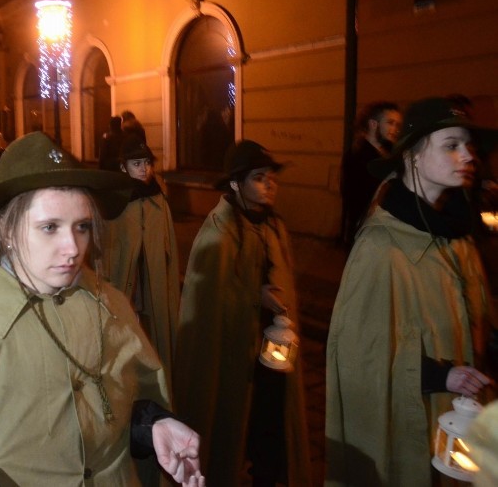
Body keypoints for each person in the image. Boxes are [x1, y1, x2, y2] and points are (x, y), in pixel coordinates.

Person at [0, 132, 205, 486]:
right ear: (4, 229)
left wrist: (149, 425)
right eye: (49, 227)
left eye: (81, 227)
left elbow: (121, 401)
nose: (73, 248)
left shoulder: (110, 305)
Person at [326, 97, 495, 486]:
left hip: (459, 418)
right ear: (413, 157)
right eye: (451, 145)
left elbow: (476, 314)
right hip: (415, 415)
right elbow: (359, 357)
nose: (468, 155)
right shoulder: (380, 246)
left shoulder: (455, 233)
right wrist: (440, 375)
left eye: (468, 145)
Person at [173, 140, 312, 486]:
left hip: (273, 352)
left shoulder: (274, 226)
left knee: (271, 424)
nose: (270, 185)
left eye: (271, 177)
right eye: (259, 178)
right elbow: (208, 302)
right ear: (236, 184)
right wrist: (255, 294)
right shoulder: (219, 231)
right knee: (234, 427)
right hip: (235, 358)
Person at [104, 135, 180, 381]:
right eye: (137, 163)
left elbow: (169, 251)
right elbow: (109, 249)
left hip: (153, 285)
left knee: (155, 339)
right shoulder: (115, 202)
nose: (144, 169)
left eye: (147, 162)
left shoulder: (159, 199)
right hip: (125, 285)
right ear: (123, 167)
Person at [340, 101, 402, 245]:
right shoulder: (358, 157)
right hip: (368, 237)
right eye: (390, 123)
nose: (395, 129)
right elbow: (356, 201)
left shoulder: (387, 154)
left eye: (397, 125)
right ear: (373, 124)